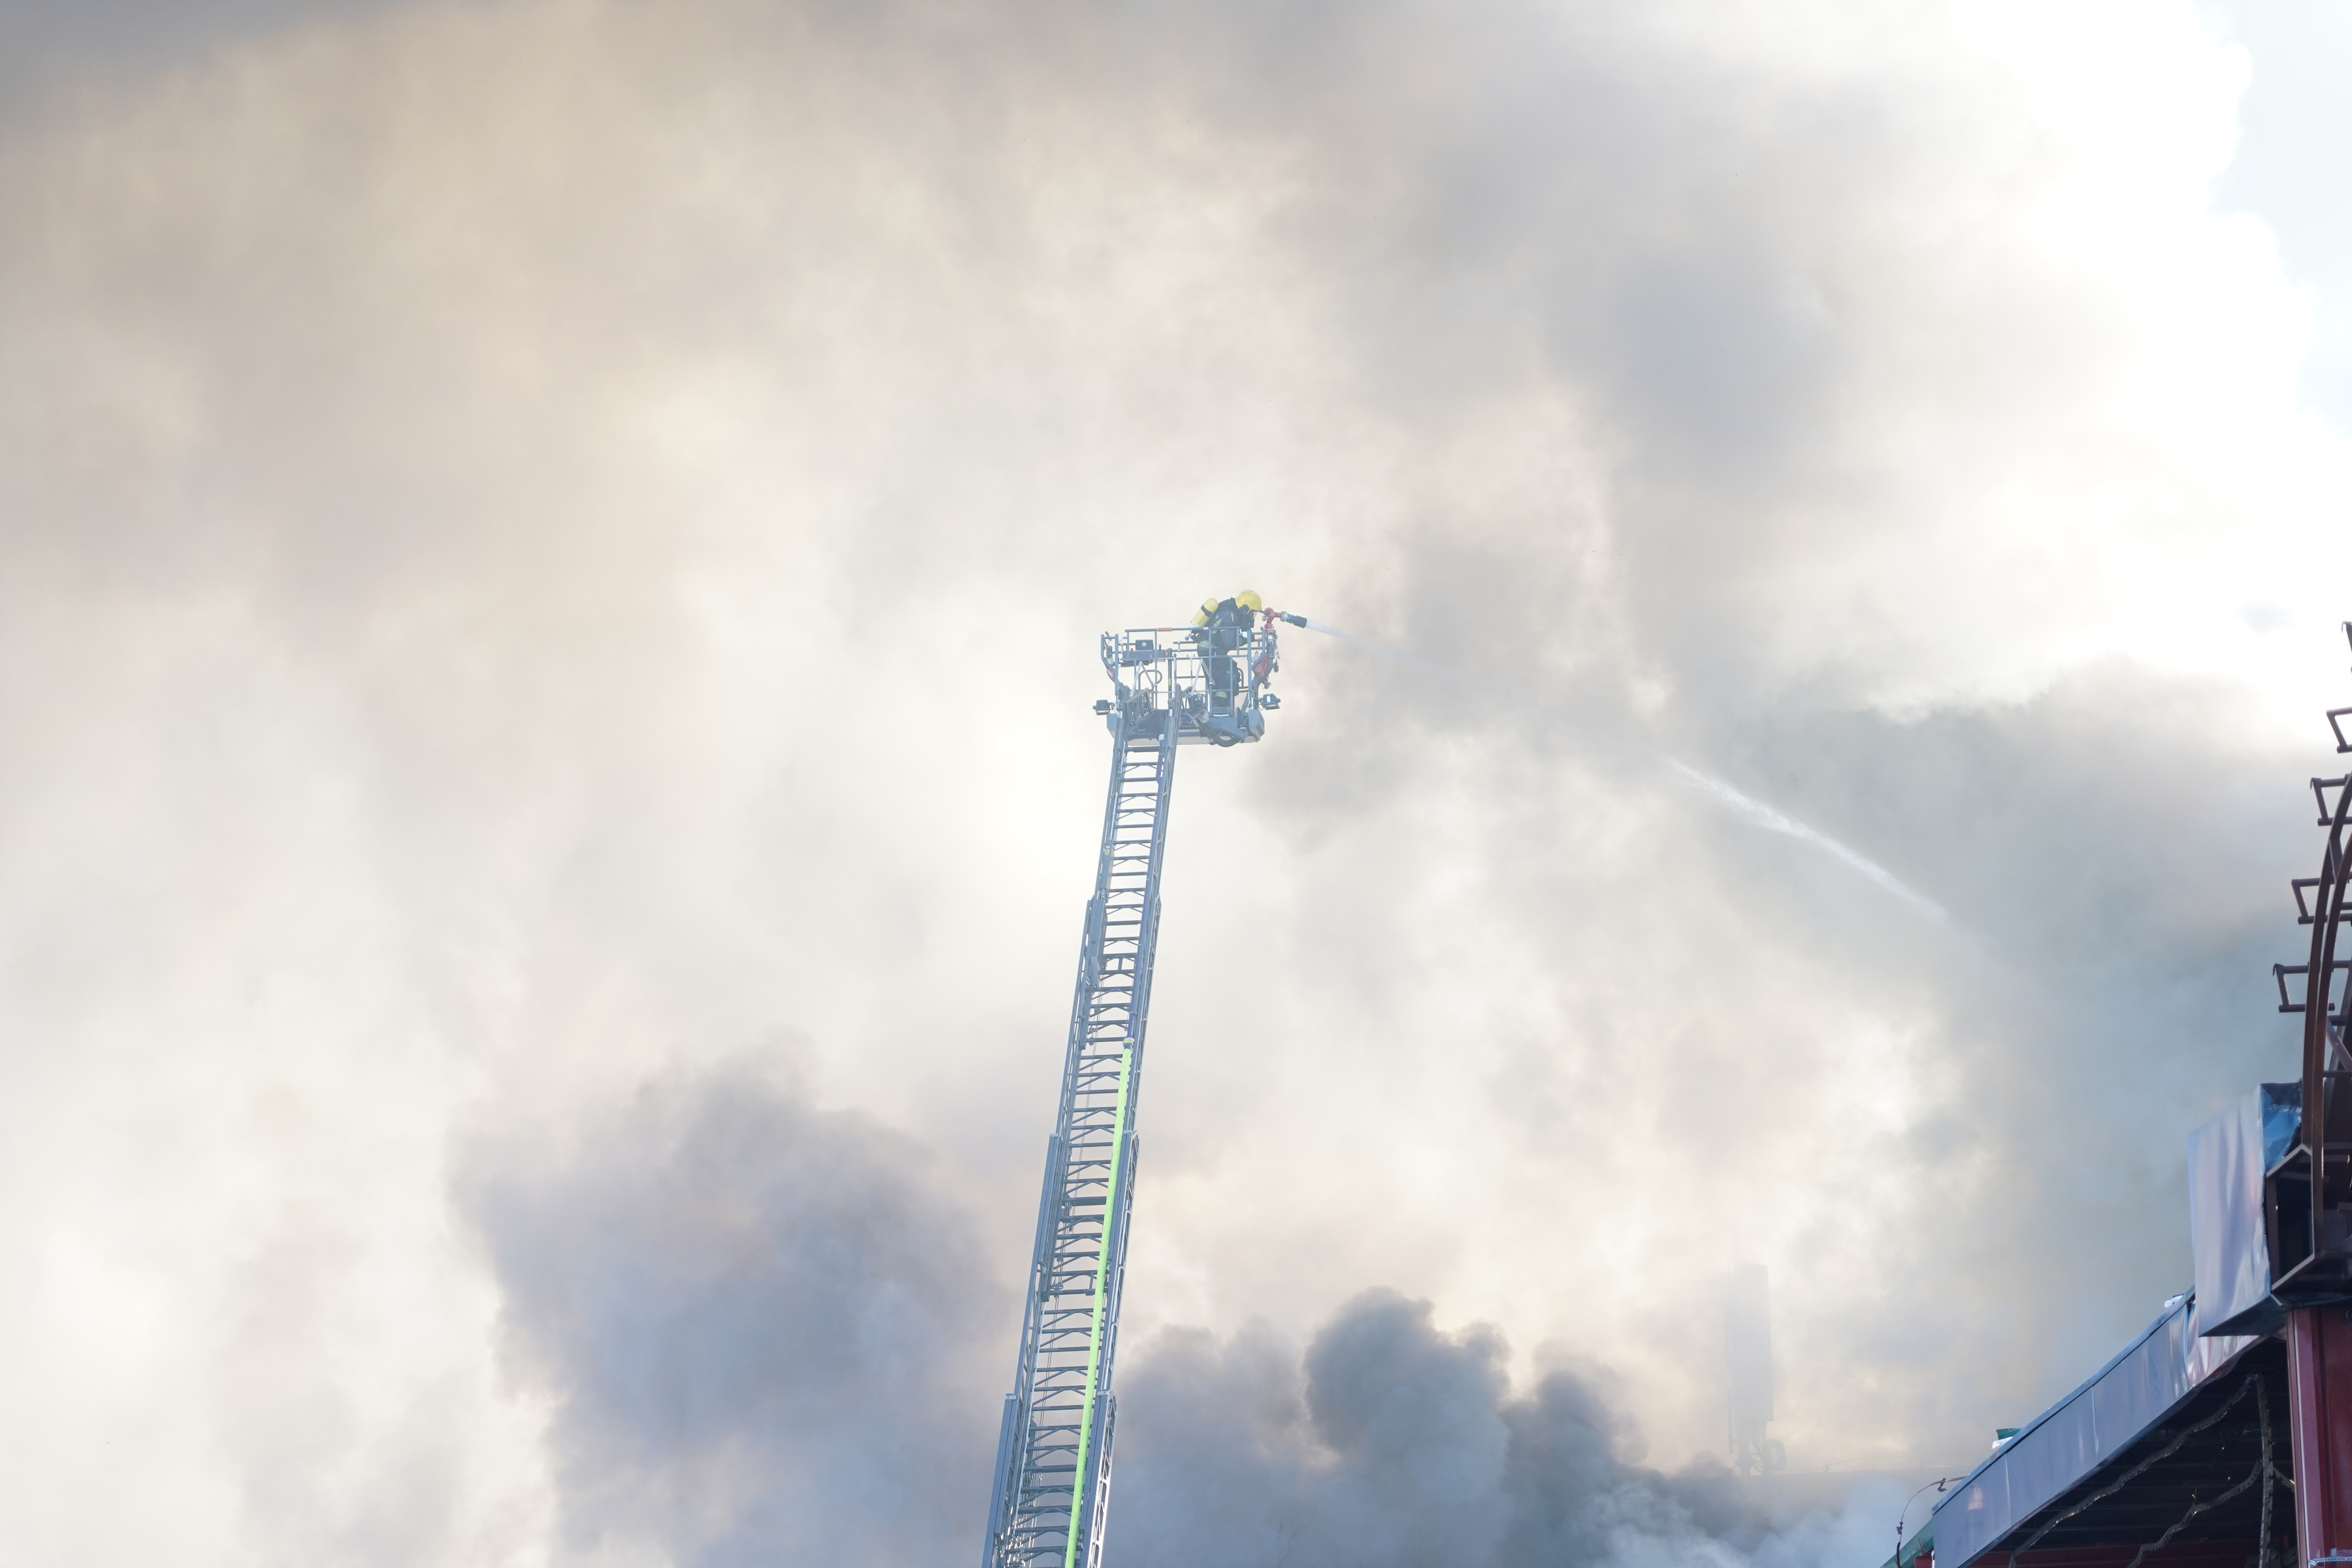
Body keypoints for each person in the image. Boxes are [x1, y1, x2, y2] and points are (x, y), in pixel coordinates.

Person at [1190, 591, 1264, 711]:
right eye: (1252, 613)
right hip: (1211, 649)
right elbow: (1229, 641)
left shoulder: (1229, 610)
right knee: (1230, 673)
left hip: (1210, 648)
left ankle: (1220, 704)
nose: (1252, 617)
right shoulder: (1229, 615)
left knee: (1222, 676)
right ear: (1245, 609)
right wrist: (1247, 639)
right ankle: (1220, 706)